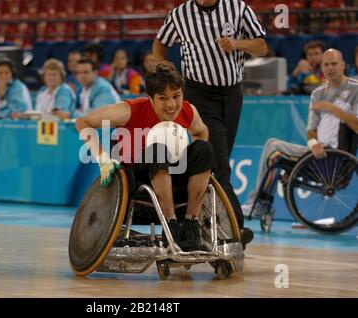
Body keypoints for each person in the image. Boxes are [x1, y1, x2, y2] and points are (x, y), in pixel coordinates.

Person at [76, 62, 251, 251]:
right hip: (138, 180)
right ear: (150, 98)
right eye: (163, 98)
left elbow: (201, 131)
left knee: (205, 148)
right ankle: (172, 225)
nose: (171, 105)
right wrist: (102, 158)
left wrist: (190, 156)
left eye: (176, 96)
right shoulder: (131, 110)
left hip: (174, 177)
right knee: (159, 149)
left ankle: (191, 224)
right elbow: (83, 121)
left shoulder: (188, 110)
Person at [153, 0, 267, 235]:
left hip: (233, 93)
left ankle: (200, 222)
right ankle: (236, 231)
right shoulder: (180, 14)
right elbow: (159, 45)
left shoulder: (237, 8)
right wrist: (167, 72)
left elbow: (261, 47)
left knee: (216, 162)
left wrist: (237, 43)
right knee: (220, 163)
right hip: (199, 93)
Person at [242, 49, 358, 216]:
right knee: (272, 148)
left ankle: (259, 203)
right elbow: (311, 130)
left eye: (334, 63)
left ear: (343, 65)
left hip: (337, 158)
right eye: (326, 64)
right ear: (322, 68)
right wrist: (313, 144)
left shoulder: (355, 90)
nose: (330, 68)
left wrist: (332, 108)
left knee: (273, 148)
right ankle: (262, 202)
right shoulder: (318, 93)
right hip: (317, 155)